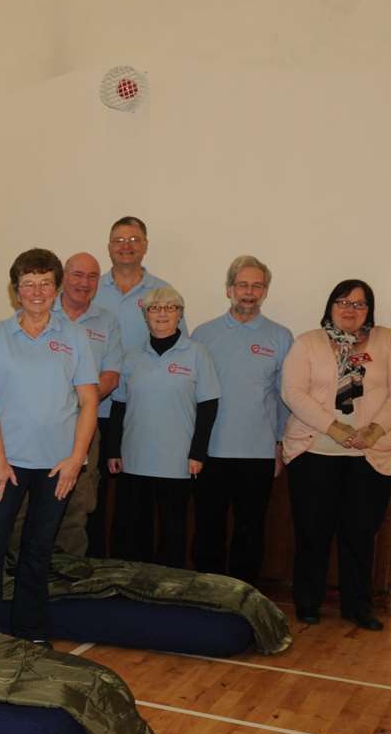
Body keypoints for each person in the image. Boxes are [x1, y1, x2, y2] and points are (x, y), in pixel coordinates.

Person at [0, 249, 99, 643]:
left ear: (56, 288)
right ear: (16, 291)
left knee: (38, 551)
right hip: (6, 464)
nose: (36, 291)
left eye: (44, 283)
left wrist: (76, 460)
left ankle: (31, 630)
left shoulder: (75, 336)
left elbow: (88, 402)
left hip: (57, 467)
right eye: (28, 284)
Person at [280, 280, 391, 630]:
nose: (350, 309)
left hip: (370, 456)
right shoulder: (308, 342)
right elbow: (293, 393)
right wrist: (333, 426)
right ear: (330, 306)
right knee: (313, 531)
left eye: (359, 304)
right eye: (343, 301)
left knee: (359, 533)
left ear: (369, 310)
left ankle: (358, 606)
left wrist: (375, 429)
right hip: (315, 452)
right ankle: (308, 601)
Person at [190, 256, 293, 585]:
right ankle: (209, 594)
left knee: (250, 532)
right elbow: (192, 396)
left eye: (257, 285)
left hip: (258, 453)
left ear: (265, 291)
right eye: (243, 285)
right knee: (208, 529)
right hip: (211, 451)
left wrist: (279, 446)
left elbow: (284, 398)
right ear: (229, 289)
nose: (249, 292)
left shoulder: (280, 337)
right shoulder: (203, 334)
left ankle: (244, 599)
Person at [104, 286, 220, 568]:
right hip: (134, 459)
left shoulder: (197, 353)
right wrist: (112, 450)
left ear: (180, 314)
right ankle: (137, 588)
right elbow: (118, 407)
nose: (162, 314)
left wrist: (198, 454)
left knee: (173, 530)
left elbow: (208, 406)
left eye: (170, 307)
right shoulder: (131, 356)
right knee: (135, 530)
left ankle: (169, 591)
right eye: (155, 308)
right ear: (145, 316)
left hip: (177, 461)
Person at [90, 217, 176, 556]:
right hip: (93, 409)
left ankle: (134, 569)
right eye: (119, 239)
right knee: (89, 494)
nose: (126, 245)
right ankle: (92, 563)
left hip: (141, 412)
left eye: (134, 239)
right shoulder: (91, 289)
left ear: (145, 245)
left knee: (134, 498)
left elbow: (175, 346)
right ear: (109, 246)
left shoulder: (162, 292)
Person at [47, 251, 122, 555]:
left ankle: (70, 575)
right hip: (41, 425)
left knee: (79, 500)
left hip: (85, 424)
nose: (84, 282)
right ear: (64, 276)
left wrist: (80, 404)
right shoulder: (41, 311)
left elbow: (111, 375)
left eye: (92, 276)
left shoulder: (108, 322)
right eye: (77, 274)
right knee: (29, 502)